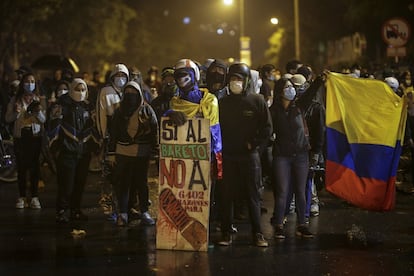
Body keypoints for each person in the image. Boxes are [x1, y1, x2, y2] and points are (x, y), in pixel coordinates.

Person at [217, 63, 272, 247]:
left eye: (239, 79)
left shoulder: (257, 101)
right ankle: (226, 233)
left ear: (247, 81)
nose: (235, 82)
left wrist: (254, 144)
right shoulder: (222, 103)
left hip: (250, 157)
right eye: (233, 79)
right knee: (226, 195)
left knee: (252, 195)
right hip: (228, 156)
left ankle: (257, 233)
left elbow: (267, 128)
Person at [48, 78, 101, 223]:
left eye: (83, 90)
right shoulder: (61, 105)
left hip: (83, 152)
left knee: (80, 183)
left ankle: (75, 210)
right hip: (67, 151)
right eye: (77, 89)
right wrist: (56, 147)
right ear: (71, 89)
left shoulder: (88, 106)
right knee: (66, 184)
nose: (80, 93)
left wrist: (95, 145)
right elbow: (53, 127)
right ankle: (61, 211)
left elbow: (94, 127)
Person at [269, 77, 315, 239]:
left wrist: (320, 81)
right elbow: (268, 130)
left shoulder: (299, 107)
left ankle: (302, 224)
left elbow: (310, 94)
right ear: (280, 91)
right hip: (282, 156)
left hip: (301, 155)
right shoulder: (274, 111)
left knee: (301, 192)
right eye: (287, 87)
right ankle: (279, 225)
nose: (291, 89)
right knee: (282, 192)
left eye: (292, 87)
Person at [110, 81, 158, 226]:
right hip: (123, 152)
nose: (131, 96)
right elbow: (112, 133)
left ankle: (144, 211)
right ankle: (123, 213)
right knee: (123, 184)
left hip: (142, 153)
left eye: (134, 93)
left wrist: (155, 150)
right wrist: (111, 153)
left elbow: (154, 130)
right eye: (128, 93)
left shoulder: (147, 110)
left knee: (141, 184)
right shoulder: (119, 111)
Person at [5, 72, 46, 209]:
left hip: (35, 136)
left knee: (35, 168)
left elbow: (44, 120)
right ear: (23, 83)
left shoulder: (39, 99)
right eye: (27, 81)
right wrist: (16, 112)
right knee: (22, 168)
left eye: (32, 81)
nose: (30, 83)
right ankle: (22, 197)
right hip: (21, 136)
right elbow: (8, 118)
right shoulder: (15, 99)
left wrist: (38, 112)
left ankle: (34, 197)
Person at [96, 63, 129, 216]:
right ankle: (108, 206)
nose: (121, 79)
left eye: (123, 76)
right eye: (118, 76)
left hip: (126, 138)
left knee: (124, 174)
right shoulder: (106, 92)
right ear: (112, 77)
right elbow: (101, 114)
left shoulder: (129, 92)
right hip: (111, 136)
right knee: (109, 173)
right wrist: (103, 135)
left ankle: (123, 207)